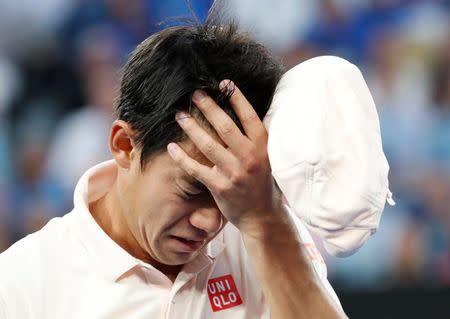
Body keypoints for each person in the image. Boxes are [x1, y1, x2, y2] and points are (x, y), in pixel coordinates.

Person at [0, 17, 347, 319]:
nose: (210, 222)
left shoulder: (265, 225)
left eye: (229, 192)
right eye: (193, 188)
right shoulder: (22, 282)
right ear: (124, 145)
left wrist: (265, 224)